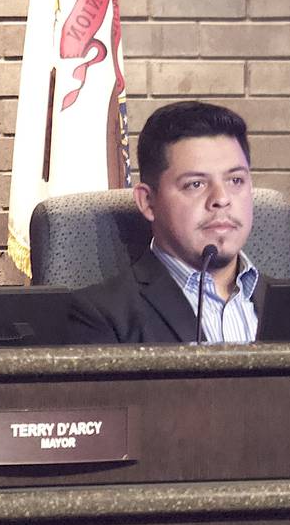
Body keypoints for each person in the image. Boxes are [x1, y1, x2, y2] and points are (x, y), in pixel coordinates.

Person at [68, 100, 262, 345]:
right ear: (148, 202)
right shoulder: (101, 317)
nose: (221, 199)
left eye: (235, 181)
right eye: (195, 184)